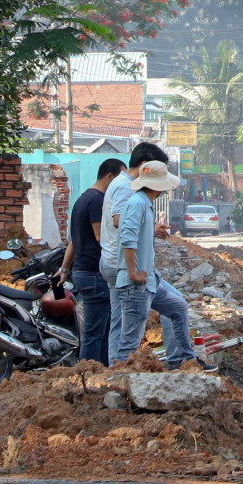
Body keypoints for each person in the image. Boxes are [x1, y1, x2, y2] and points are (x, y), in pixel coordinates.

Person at [113, 160, 200, 370]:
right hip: (136, 284)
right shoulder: (138, 203)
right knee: (130, 341)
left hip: (148, 281)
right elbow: (127, 238)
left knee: (178, 307)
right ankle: (121, 379)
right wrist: (132, 272)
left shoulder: (144, 203)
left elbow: (136, 235)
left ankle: (185, 361)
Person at [99, 142, 170, 364]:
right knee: (128, 329)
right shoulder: (125, 186)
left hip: (116, 261)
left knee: (120, 324)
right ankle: (120, 368)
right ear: (145, 165)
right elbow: (120, 222)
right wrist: (133, 270)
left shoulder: (124, 184)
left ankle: (116, 367)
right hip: (121, 263)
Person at [57, 157, 125, 364]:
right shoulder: (98, 200)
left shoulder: (82, 198)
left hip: (83, 271)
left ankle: (101, 369)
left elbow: (73, 241)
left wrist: (64, 269)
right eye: (120, 179)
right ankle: (89, 371)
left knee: (100, 328)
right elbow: (100, 236)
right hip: (94, 273)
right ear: (110, 177)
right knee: (96, 330)